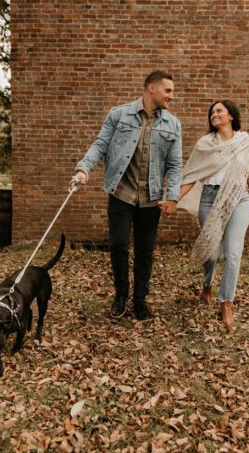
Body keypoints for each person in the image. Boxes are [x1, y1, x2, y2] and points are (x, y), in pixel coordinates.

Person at [71, 70, 183, 321]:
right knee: (119, 245)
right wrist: (83, 169)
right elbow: (100, 144)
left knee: (145, 251)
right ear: (151, 88)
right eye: (168, 90)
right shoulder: (119, 114)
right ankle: (120, 295)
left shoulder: (173, 124)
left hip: (151, 198)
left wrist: (173, 196)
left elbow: (175, 165)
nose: (172, 96)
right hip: (121, 193)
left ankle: (140, 300)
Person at [177, 99, 249, 330]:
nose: (214, 114)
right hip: (209, 198)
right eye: (212, 112)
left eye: (219, 111)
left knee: (233, 254)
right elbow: (191, 175)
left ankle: (226, 301)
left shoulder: (246, 143)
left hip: (239, 200)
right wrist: (173, 199)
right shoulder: (205, 144)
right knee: (212, 253)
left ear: (231, 116)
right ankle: (207, 284)